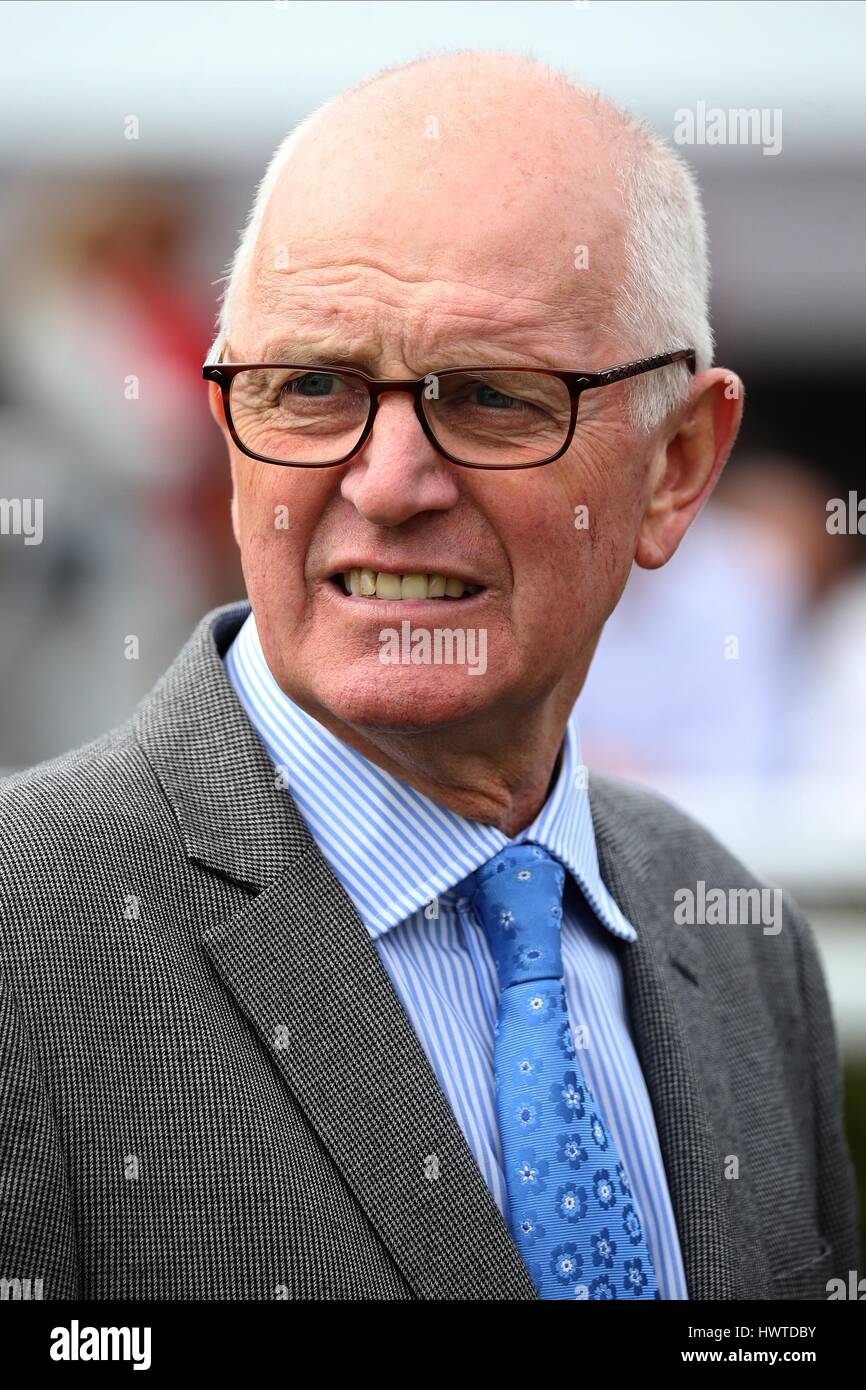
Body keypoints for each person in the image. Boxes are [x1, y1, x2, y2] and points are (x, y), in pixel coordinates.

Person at [0, 51, 858, 1301]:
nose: (389, 481)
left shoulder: (738, 945)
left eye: (493, 398)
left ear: (675, 467)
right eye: (308, 387)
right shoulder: (25, 947)